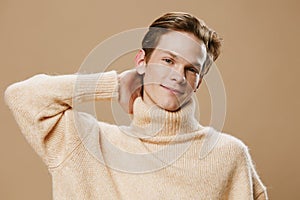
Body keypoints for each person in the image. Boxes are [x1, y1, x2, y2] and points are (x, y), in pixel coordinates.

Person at [5, 12, 268, 199]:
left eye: (190, 69)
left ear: (198, 83)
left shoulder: (228, 155)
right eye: (167, 60)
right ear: (141, 61)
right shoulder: (86, 143)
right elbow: (22, 96)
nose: (178, 75)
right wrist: (113, 84)